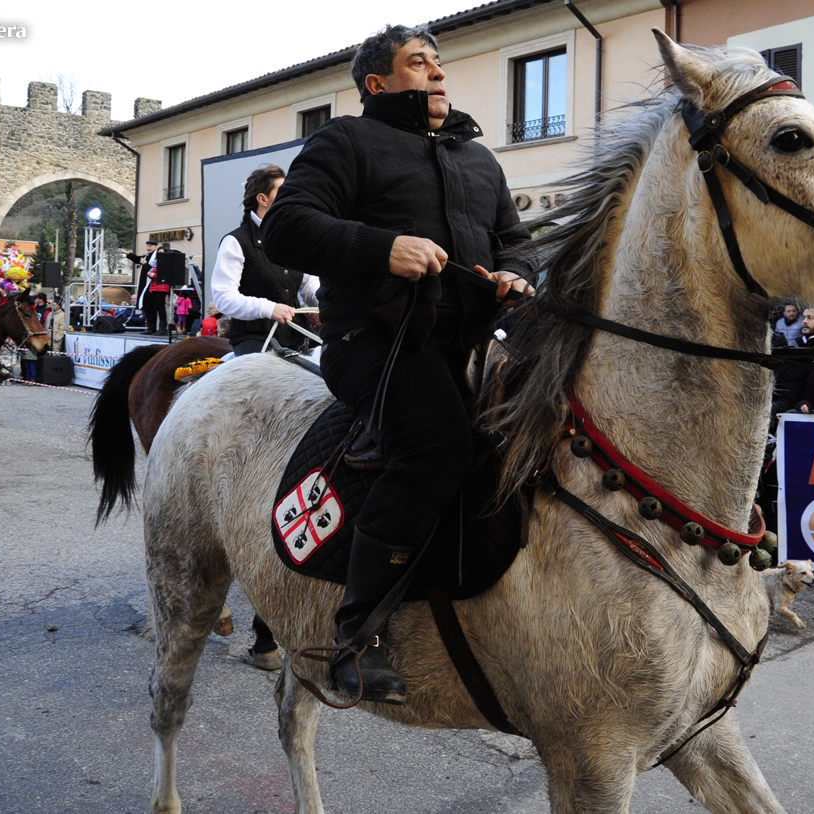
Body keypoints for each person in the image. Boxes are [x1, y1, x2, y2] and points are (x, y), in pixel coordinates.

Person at [261, 24, 533, 704]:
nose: (437, 72)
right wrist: (384, 248)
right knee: (437, 448)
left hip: (473, 344)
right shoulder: (345, 141)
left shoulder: (479, 158)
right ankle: (357, 638)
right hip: (376, 344)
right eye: (419, 62)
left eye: (439, 62)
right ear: (377, 83)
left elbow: (516, 240)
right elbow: (285, 227)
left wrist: (515, 273)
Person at [211, 165, 320, 356]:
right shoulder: (235, 241)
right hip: (254, 337)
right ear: (262, 199)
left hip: (298, 334)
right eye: (283, 191)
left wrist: (324, 305)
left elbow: (310, 286)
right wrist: (269, 309)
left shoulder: (294, 239)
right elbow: (223, 298)